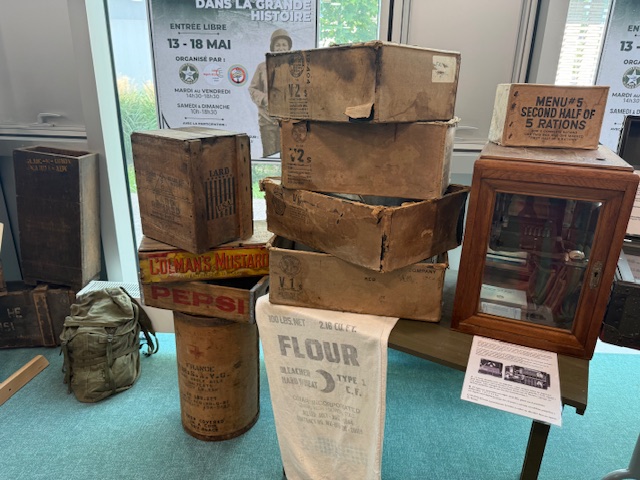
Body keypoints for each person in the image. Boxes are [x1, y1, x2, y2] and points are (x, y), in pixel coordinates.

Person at [249, 29, 292, 157]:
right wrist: (265, 99)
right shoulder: (262, 67)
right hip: (267, 121)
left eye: (284, 45)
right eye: (277, 45)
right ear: (273, 47)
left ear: (289, 47)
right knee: (269, 156)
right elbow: (252, 89)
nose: (281, 48)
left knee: (288, 157)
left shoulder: (296, 67)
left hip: (288, 121)